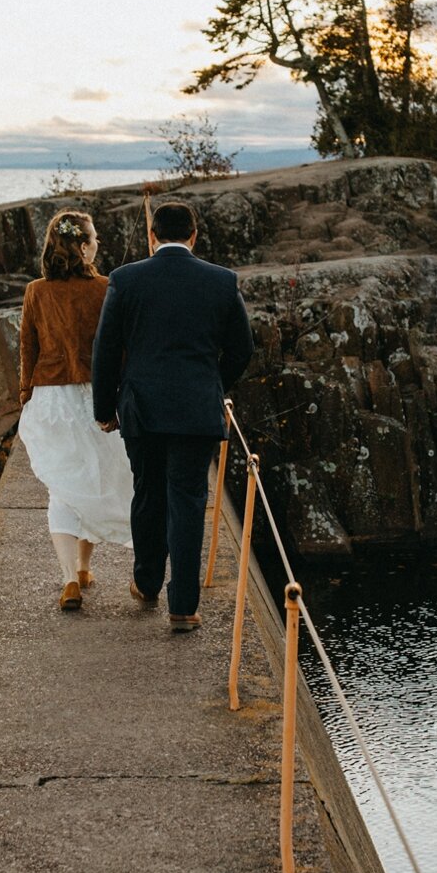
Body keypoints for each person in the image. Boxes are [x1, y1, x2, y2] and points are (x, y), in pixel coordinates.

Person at [91, 198, 254, 633]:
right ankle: (183, 607)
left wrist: (104, 409)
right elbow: (243, 348)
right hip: (196, 411)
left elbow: (105, 350)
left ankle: (146, 584)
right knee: (187, 503)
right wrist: (212, 384)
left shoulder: (125, 280)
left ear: (151, 236)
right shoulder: (221, 282)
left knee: (147, 493)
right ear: (194, 235)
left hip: (141, 409)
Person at [15, 211, 135, 611]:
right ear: (83, 247)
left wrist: (24, 397)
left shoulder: (36, 291)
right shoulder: (105, 287)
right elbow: (119, 348)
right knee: (101, 478)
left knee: (63, 486)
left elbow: (27, 350)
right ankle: (84, 567)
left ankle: (72, 577)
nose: (98, 243)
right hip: (95, 394)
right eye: (95, 238)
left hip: (50, 398)